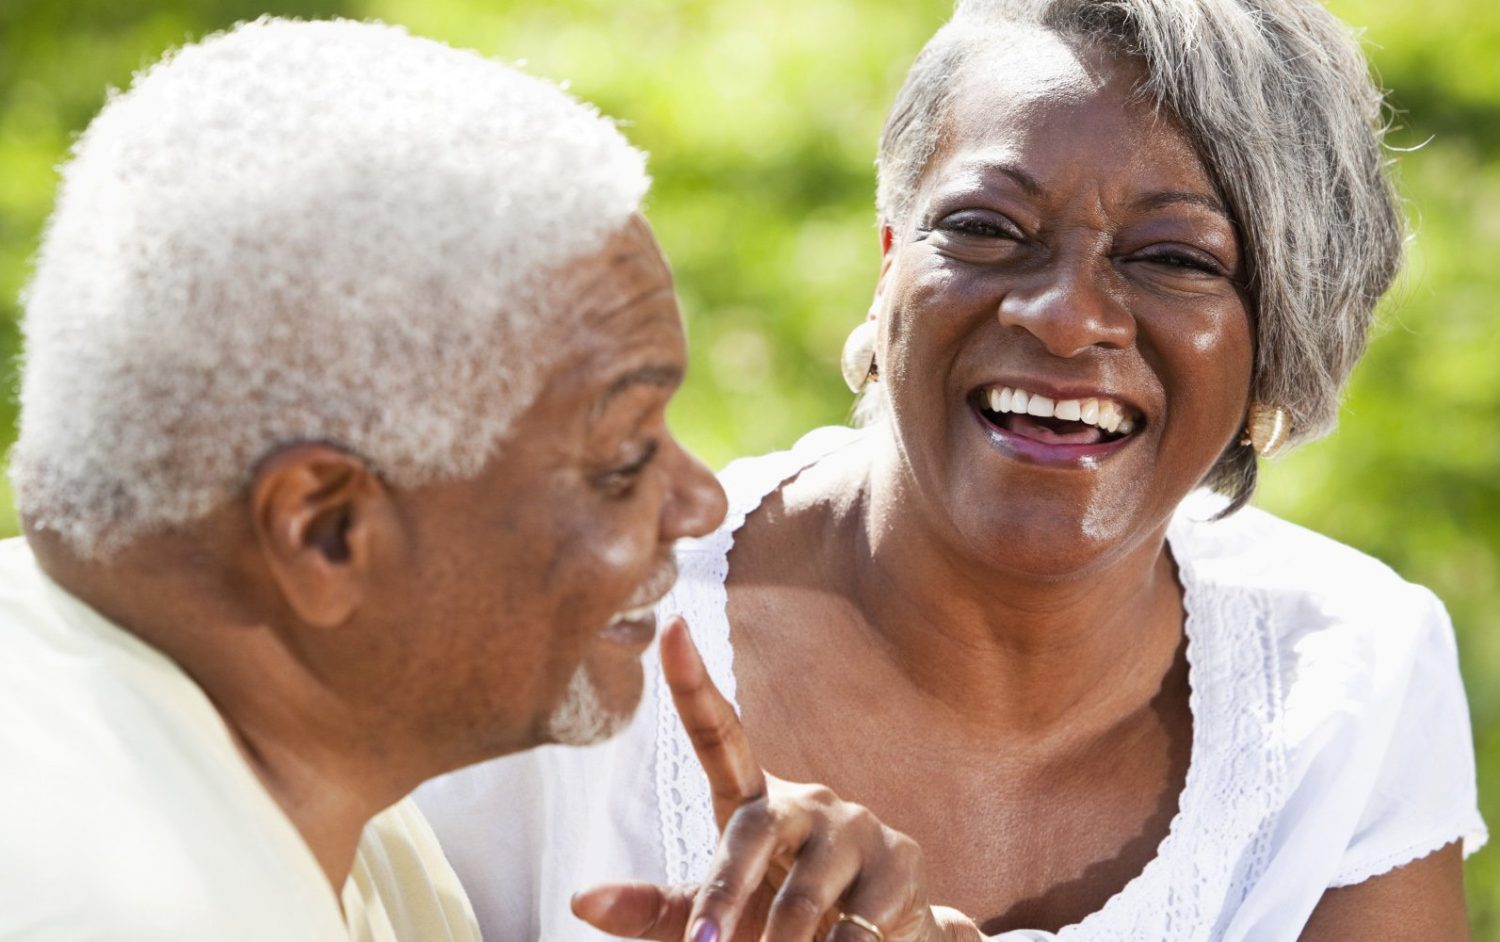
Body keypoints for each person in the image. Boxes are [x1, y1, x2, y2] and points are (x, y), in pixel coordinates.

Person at [419, 0, 1488, 939]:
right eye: (986, 229)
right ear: (890, 266)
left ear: (1281, 336)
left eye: (1172, 258)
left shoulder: (1350, 678)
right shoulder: (571, 642)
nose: (1065, 317)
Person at [0, 18, 986, 942]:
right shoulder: (126, 903)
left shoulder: (276, 777)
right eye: (621, 460)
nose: (701, 502)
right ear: (325, 531)